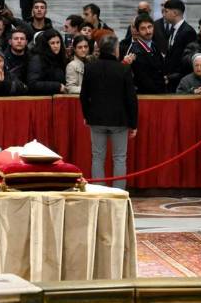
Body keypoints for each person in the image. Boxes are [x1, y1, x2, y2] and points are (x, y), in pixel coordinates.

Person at [80, 36, 138, 187]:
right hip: (119, 120)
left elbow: (84, 95)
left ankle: (100, 193)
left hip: (96, 119)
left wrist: (86, 115)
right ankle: (118, 194)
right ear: (115, 49)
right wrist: (134, 123)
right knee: (119, 158)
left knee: (97, 157)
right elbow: (131, 99)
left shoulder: (90, 67)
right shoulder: (124, 69)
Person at [162, 0, 197, 91]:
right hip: (170, 80)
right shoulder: (173, 29)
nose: (164, 14)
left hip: (180, 82)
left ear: (174, 13)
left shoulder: (188, 32)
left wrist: (172, 77)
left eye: (166, 11)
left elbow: (187, 61)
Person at [127, 14, 166, 94]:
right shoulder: (136, 51)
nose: (148, 31)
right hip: (148, 97)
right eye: (143, 29)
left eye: (149, 27)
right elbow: (144, 81)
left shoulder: (153, 45)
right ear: (137, 31)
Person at [26, 29, 67, 95]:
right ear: (46, 44)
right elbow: (32, 84)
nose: (56, 46)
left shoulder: (59, 58)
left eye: (58, 42)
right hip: (42, 101)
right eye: (52, 43)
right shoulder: (37, 59)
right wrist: (57, 86)